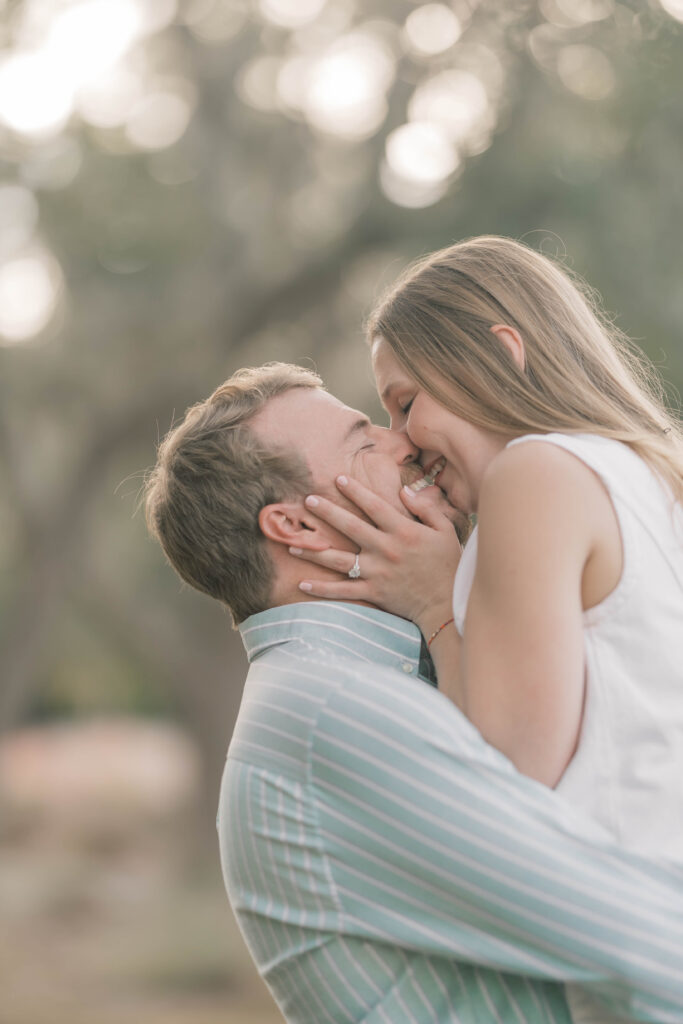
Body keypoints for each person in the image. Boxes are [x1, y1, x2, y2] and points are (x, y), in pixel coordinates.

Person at [144, 361, 683, 1024]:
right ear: (299, 528)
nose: (404, 442)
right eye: (365, 440)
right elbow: (640, 939)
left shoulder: (350, 691)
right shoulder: (331, 712)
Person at [286, 237, 683, 1023]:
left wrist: (436, 604)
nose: (398, 442)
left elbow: (506, 784)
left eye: (404, 403)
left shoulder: (533, 475)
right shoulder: (652, 472)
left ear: (502, 352)